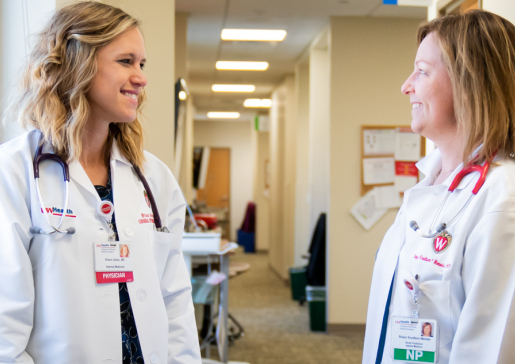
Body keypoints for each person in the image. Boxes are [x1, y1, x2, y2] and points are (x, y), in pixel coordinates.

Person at [0, 2, 201, 364]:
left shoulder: (153, 177)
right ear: (79, 63)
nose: (141, 77)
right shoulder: (14, 173)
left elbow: (174, 298)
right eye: (125, 61)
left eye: (141, 64)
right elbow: (5, 319)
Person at [363, 10, 515, 364]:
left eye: (423, 71)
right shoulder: (430, 186)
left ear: (470, 81)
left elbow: (489, 352)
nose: (406, 86)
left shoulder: (503, 200)